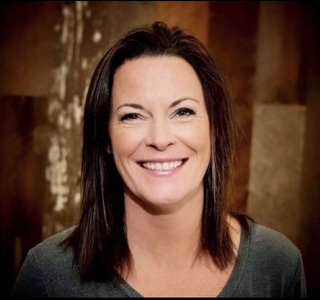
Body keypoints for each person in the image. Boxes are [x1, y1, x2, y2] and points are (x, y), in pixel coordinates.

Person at [11, 21, 307, 298]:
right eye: (133, 116)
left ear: (214, 129)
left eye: (183, 112)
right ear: (106, 140)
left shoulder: (276, 265)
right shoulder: (48, 276)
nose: (160, 138)